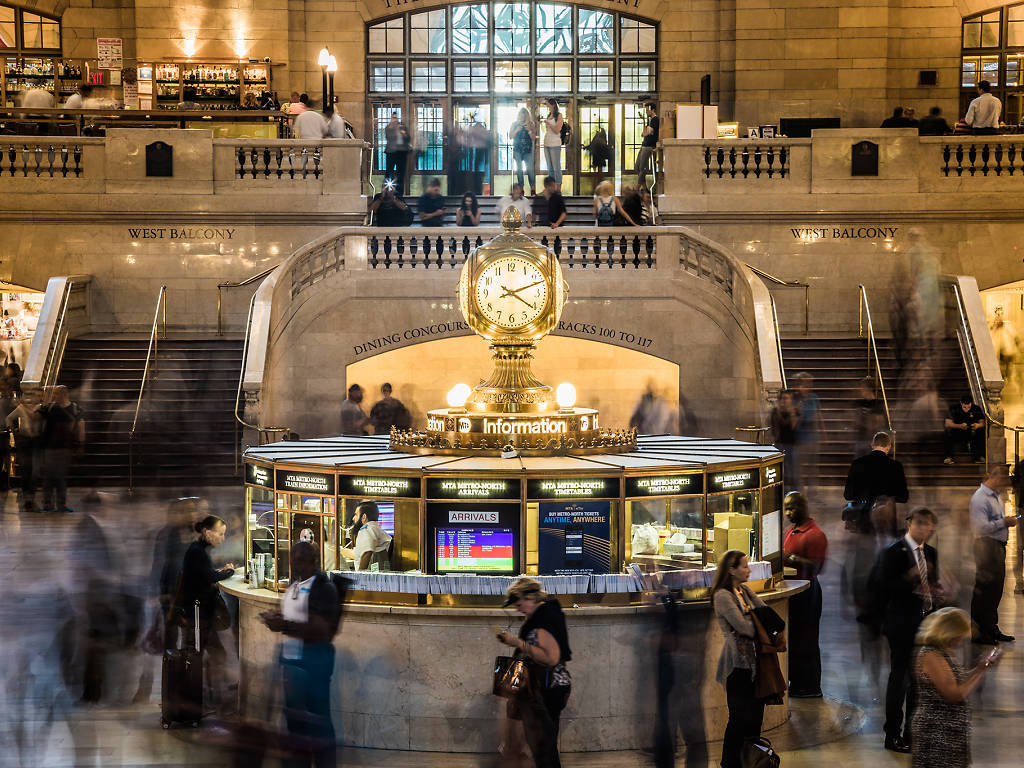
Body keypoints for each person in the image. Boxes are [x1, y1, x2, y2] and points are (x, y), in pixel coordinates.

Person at [260, 541, 340, 768]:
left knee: (318, 722)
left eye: (300, 561)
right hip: (293, 664)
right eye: (293, 560)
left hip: (314, 663)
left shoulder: (324, 589)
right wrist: (277, 618)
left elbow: (322, 630)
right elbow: (296, 617)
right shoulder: (296, 584)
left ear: (313, 562)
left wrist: (283, 625)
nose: (294, 566)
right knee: (295, 724)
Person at [876, 507, 942, 753]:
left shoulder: (931, 553)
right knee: (900, 679)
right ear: (909, 524)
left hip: (925, 624)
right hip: (902, 624)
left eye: (928, 524)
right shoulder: (893, 553)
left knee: (918, 682)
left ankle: (913, 733)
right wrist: (910, 578)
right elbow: (883, 588)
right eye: (919, 523)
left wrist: (938, 594)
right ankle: (892, 734)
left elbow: (931, 585)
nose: (924, 528)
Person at [910, 607, 1002, 768]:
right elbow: (954, 694)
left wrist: (980, 667)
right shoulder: (931, 655)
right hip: (936, 733)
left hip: (949, 731)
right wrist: (981, 671)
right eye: (960, 636)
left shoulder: (942, 652)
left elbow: (957, 680)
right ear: (949, 633)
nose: (962, 640)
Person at [496, 577, 572, 768]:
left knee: (543, 748)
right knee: (544, 747)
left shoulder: (544, 619)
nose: (518, 609)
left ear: (531, 598)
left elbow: (551, 658)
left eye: (519, 604)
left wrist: (517, 643)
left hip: (546, 688)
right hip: (546, 688)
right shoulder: (541, 616)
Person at [711, 550, 767, 768]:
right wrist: (758, 623)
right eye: (744, 566)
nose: (749, 570)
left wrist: (758, 621)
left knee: (755, 719)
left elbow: (767, 614)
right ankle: (730, 763)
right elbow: (744, 627)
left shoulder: (745, 591)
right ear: (731, 570)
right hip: (737, 665)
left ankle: (750, 761)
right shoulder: (722, 596)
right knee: (738, 719)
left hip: (755, 664)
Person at [180, 515, 236, 710]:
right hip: (197, 613)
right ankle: (198, 699)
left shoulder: (199, 550)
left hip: (201, 614)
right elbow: (209, 576)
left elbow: (204, 574)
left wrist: (220, 571)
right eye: (220, 533)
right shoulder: (197, 552)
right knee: (199, 655)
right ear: (207, 532)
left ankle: (211, 695)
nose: (222, 538)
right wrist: (229, 572)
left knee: (215, 654)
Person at [782, 491, 827, 697]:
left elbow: (817, 567)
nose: (787, 513)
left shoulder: (815, 535)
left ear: (802, 507)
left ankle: (809, 687)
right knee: (796, 639)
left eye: (791, 508)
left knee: (806, 640)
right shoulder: (791, 530)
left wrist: (790, 557)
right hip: (795, 592)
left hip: (808, 592)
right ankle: (797, 683)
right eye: (786, 509)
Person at [969, 464, 1017, 644]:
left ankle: (991, 628)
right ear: (996, 478)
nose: (1005, 486)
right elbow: (980, 527)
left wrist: (1004, 521)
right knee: (985, 590)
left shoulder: (995, 496)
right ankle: (979, 632)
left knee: (995, 590)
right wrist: (1004, 522)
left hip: (996, 547)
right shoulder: (980, 498)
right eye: (1004, 481)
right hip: (986, 547)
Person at [843, 431, 909, 535]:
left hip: (863, 525)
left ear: (872, 446)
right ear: (888, 447)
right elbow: (904, 497)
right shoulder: (896, 466)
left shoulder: (857, 463)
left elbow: (848, 495)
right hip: (886, 524)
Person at [38, 385, 84, 513]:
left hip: (65, 448)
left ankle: (61, 504)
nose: (54, 396)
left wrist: (80, 444)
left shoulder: (74, 408)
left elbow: (80, 425)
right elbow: (37, 417)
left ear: (64, 394)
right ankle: (48, 503)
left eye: (56, 393)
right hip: (50, 447)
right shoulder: (50, 408)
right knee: (48, 476)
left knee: (61, 477)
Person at [6, 388, 41, 510]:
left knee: (34, 470)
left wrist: (22, 405)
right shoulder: (21, 408)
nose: (38, 398)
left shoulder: (41, 408)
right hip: (24, 441)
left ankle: (31, 496)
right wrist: (14, 432)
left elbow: (34, 417)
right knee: (25, 470)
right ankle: (27, 498)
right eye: (36, 395)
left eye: (40, 396)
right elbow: (9, 418)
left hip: (36, 441)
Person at [792, 372, 824, 494]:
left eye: (810, 384)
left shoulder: (814, 398)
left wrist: (823, 432)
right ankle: (798, 491)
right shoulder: (794, 399)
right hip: (799, 438)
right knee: (798, 468)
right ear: (798, 385)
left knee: (813, 467)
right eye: (805, 385)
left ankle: (812, 491)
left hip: (813, 437)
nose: (808, 387)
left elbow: (819, 415)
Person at [943, 394, 985, 464]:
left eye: (969, 407)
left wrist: (977, 425)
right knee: (947, 431)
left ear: (971, 403)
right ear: (961, 403)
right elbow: (947, 423)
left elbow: (982, 423)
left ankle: (979, 456)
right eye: (964, 407)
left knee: (981, 431)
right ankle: (948, 457)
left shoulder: (976, 408)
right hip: (958, 431)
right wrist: (959, 426)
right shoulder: (954, 408)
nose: (967, 409)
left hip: (971, 431)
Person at [770, 389, 799, 491]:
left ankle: (793, 489)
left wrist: (791, 413)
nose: (784, 401)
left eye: (787, 398)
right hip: (780, 443)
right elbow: (774, 427)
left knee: (792, 468)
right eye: (783, 398)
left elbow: (794, 426)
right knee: (781, 468)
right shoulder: (776, 411)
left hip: (791, 444)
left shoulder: (794, 411)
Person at [852, 377, 886, 458]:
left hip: (871, 441)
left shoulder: (878, 404)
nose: (861, 390)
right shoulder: (860, 403)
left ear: (869, 388)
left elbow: (880, 423)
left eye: (863, 388)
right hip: (861, 440)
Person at [352, 501, 392, 570]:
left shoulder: (366, 529)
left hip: (370, 574)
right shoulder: (375, 528)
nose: (353, 518)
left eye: (356, 515)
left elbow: (367, 553)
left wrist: (360, 574)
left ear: (364, 517)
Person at [510, 108, 537, 195]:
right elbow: (510, 136)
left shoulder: (531, 124)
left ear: (527, 116)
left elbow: (533, 138)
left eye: (524, 116)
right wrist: (516, 130)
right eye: (521, 116)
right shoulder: (514, 124)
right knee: (519, 170)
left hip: (528, 150)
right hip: (517, 150)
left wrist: (529, 130)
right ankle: (521, 189)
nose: (522, 117)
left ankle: (533, 189)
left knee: (530, 170)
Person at [635, 102, 659, 188]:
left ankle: (637, 188)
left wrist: (646, 129)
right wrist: (644, 122)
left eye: (647, 110)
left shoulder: (655, 120)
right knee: (637, 167)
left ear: (653, 110)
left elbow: (647, 132)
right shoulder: (649, 120)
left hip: (649, 146)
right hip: (644, 145)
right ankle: (645, 188)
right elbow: (643, 134)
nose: (646, 112)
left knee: (642, 168)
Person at [385, 112, 410, 194]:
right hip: (391, 152)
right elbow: (388, 137)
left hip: (402, 152)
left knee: (401, 174)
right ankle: (388, 193)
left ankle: (399, 194)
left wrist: (404, 134)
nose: (395, 120)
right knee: (389, 173)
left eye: (396, 118)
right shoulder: (388, 127)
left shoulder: (403, 127)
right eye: (393, 118)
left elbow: (408, 139)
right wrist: (395, 129)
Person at [541, 99, 564, 184]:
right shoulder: (549, 115)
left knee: (556, 168)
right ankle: (551, 187)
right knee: (549, 168)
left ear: (553, 105)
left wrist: (549, 123)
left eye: (548, 105)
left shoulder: (559, 115)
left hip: (555, 144)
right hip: (547, 143)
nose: (547, 107)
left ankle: (558, 187)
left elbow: (557, 130)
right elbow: (546, 131)